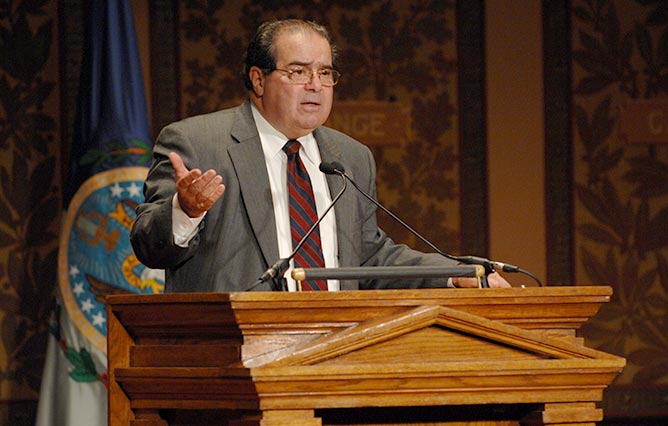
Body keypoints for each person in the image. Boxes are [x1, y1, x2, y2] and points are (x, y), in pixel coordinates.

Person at [130, 19, 510, 292]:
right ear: (258, 80)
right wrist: (186, 211)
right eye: (298, 72)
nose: (316, 85)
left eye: (326, 73)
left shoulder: (349, 156)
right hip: (230, 355)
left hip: (333, 351)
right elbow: (149, 246)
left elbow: (367, 257)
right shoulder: (199, 142)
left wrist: (456, 270)